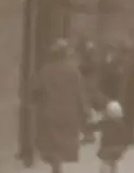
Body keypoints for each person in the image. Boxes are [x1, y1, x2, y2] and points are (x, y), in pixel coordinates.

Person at [31, 39, 89, 173]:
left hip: (50, 113)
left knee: (52, 144)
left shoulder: (45, 70)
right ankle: (58, 165)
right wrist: (85, 111)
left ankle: (55, 166)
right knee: (63, 143)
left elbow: (35, 90)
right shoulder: (73, 72)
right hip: (68, 114)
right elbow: (80, 94)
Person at [89, 100, 128, 173]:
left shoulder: (105, 122)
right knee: (113, 163)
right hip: (118, 148)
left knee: (106, 163)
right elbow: (125, 137)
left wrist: (90, 123)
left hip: (106, 147)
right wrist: (124, 147)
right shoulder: (121, 124)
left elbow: (93, 126)